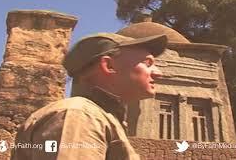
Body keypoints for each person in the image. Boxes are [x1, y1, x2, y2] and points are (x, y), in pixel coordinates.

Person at [11, 33, 167, 160]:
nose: (159, 73)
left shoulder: (98, 116)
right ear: (109, 66)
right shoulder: (80, 116)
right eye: (148, 63)